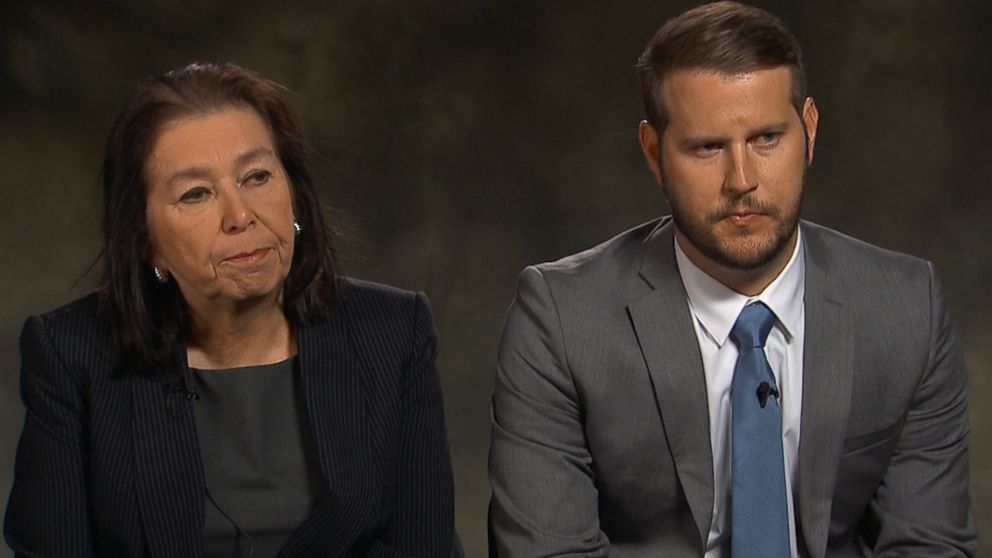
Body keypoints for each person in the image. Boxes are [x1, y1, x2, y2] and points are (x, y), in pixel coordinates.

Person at [488, 2, 975, 557]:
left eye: (767, 138)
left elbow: (929, 545)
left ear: (809, 130)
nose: (742, 180)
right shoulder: (560, 319)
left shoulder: (907, 306)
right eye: (708, 147)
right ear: (654, 153)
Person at [5, 62, 459, 557]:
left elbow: (425, 546)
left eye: (257, 176)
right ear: (144, 240)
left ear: (296, 199)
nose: (241, 216)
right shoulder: (72, 354)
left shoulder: (393, 331)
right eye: (196, 193)